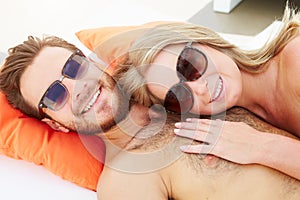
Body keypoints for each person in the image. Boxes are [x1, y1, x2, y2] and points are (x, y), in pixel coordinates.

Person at [0, 35, 299, 199]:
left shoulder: (187, 82)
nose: (77, 88)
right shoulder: (124, 181)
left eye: (74, 68)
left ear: (92, 62)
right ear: (55, 124)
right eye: (55, 95)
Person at [112, 4, 300, 179]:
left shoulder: (295, 61)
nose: (200, 89)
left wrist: (262, 146)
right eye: (179, 96)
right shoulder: (235, 124)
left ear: (206, 41)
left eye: (189, 65)